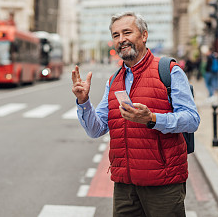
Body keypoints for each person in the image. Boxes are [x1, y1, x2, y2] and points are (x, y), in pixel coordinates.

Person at [71, 12, 200, 217]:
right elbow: (96, 130)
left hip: (163, 183)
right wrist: (83, 102)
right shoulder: (114, 80)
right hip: (125, 185)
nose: (121, 39)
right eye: (115, 35)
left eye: (127, 32)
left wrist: (152, 119)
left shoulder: (169, 71)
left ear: (144, 35)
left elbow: (192, 120)